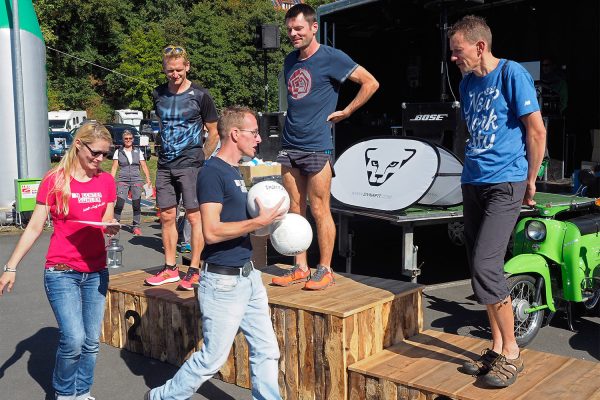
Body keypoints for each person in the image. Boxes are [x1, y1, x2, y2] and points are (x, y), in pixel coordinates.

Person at [145, 106, 284, 400]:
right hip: (223, 284)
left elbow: (236, 223)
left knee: (267, 350)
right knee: (211, 359)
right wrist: (257, 222)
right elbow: (211, 231)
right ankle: (161, 397)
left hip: (248, 277)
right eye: (254, 132)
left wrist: (266, 225)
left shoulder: (235, 172)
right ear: (235, 134)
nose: (259, 139)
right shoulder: (211, 173)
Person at [448, 15, 546, 387]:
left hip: (506, 181)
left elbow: (536, 130)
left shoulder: (511, 74)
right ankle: (497, 345)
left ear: (479, 46)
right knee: (479, 266)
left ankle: (513, 353)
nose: (454, 58)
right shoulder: (467, 82)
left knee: (488, 265)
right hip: (473, 181)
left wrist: (530, 180)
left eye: (458, 51)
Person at [0, 122, 120, 400]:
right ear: (79, 144)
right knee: (74, 339)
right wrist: (10, 267)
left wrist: (110, 225)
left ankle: (82, 392)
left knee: (91, 342)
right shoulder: (54, 180)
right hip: (61, 270)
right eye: (96, 153)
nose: (100, 159)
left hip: (96, 270)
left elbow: (106, 218)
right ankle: (65, 394)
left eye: (105, 154)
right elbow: (34, 227)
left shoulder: (106, 181)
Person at [272, 4, 379, 290]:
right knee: (294, 208)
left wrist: (347, 111)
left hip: (317, 146)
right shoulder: (289, 61)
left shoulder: (332, 57)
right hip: (290, 144)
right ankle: (300, 267)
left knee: (319, 208)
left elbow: (370, 83)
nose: (294, 34)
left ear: (313, 27)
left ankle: (325, 269)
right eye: (290, 30)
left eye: (299, 29)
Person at [145, 44, 219, 291]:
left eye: (179, 70)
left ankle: (195, 269)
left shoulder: (200, 95)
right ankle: (169, 268)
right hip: (164, 164)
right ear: (164, 70)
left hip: (190, 165)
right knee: (166, 216)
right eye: (170, 71)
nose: (175, 75)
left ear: (187, 67)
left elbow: (214, 132)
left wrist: (202, 158)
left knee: (194, 217)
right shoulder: (158, 94)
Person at [110, 129, 151, 236]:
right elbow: (114, 167)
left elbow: (144, 166)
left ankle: (136, 226)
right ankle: (115, 225)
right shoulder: (118, 151)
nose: (128, 140)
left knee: (136, 204)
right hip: (122, 180)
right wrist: (110, 181)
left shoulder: (138, 151)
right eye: (126, 139)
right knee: (119, 204)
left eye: (130, 138)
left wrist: (148, 179)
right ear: (123, 140)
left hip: (136, 180)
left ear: (133, 140)